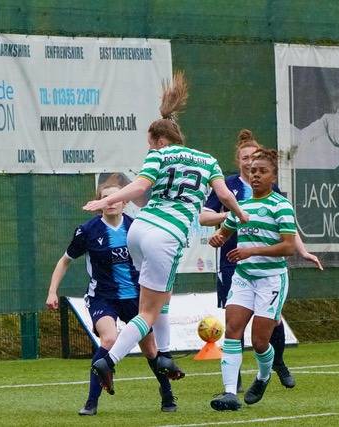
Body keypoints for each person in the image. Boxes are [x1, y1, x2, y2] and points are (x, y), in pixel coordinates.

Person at [83, 71, 249, 394]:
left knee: (162, 296)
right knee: (147, 312)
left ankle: (165, 358)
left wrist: (112, 198)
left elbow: (144, 189)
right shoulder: (207, 160)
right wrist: (240, 215)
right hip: (165, 238)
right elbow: (227, 197)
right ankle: (109, 360)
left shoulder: (159, 156)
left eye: (150, 144)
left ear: (160, 141)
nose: (150, 148)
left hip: (140, 230)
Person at [199, 130, 323, 392]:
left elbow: (288, 244)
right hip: (241, 273)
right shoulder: (238, 200)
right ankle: (230, 391)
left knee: (260, 341)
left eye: (260, 170)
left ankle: (267, 372)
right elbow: (225, 228)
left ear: (273, 176)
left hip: (270, 278)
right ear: (241, 162)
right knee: (232, 330)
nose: (254, 173)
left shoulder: (280, 204)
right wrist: (219, 238)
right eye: (251, 167)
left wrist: (256, 251)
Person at [46, 176, 177, 415]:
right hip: (102, 297)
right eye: (105, 199)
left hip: (137, 299)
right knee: (108, 339)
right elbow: (65, 261)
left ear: (125, 201)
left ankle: (167, 393)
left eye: (116, 198)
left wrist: (164, 290)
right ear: (99, 203)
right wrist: (52, 291)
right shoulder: (87, 231)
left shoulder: (136, 228)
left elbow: (155, 262)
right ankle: (91, 402)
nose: (111, 202)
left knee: (150, 350)